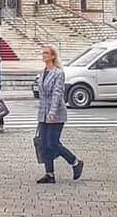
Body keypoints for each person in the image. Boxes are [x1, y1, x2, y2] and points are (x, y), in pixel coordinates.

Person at [36, 45, 84, 184]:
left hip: (56, 113)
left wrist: (52, 112)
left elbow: (57, 94)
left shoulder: (58, 73)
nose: (43, 55)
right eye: (43, 53)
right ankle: (49, 174)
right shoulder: (43, 72)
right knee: (44, 144)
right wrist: (42, 114)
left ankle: (75, 162)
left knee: (53, 143)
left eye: (46, 53)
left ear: (53, 56)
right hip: (43, 113)